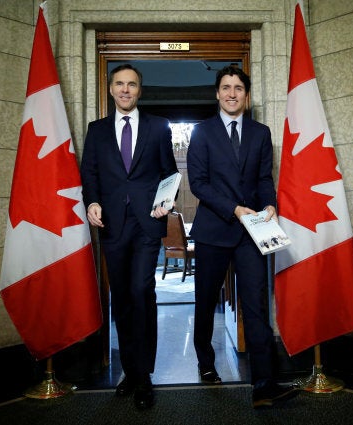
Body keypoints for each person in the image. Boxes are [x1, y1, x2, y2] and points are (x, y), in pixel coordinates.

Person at [186, 66, 302, 408]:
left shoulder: (261, 133)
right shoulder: (202, 132)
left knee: (255, 305)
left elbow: (265, 178)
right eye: (226, 87)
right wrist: (235, 209)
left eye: (238, 88)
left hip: (254, 234)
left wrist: (270, 205)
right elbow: (199, 184)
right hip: (214, 230)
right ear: (217, 94)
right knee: (205, 302)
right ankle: (206, 364)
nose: (232, 93)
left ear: (246, 96)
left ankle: (265, 383)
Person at [81, 64, 178, 409]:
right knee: (121, 298)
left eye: (132, 84)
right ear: (110, 89)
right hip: (112, 225)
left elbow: (170, 172)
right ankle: (130, 371)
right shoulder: (96, 131)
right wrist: (91, 201)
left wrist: (166, 203)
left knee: (142, 291)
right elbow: (89, 172)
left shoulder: (157, 126)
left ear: (140, 90)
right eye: (119, 84)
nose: (125, 90)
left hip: (147, 223)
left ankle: (144, 376)